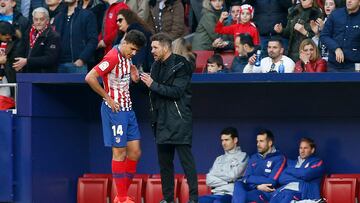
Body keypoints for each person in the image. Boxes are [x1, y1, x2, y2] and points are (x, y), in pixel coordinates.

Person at [85, 29, 146, 203]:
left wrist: (134, 77)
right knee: (119, 152)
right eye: (132, 49)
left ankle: (121, 196)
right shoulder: (112, 57)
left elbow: (123, 80)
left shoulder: (128, 57)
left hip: (129, 110)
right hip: (115, 110)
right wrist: (108, 98)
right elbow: (90, 77)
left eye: (136, 51)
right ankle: (121, 197)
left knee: (134, 153)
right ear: (125, 42)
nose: (133, 53)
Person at [140, 32, 199, 203]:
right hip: (160, 120)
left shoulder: (182, 64)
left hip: (179, 119)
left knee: (187, 163)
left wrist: (153, 84)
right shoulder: (155, 66)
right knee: (165, 165)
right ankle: (168, 199)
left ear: (166, 47)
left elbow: (177, 92)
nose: (152, 51)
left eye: (155, 47)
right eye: (152, 47)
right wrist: (140, 81)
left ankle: (193, 199)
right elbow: (153, 91)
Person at [231, 129, 286, 203]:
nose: (258, 144)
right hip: (252, 189)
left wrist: (250, 179)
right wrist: (257, 186)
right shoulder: (253, 158)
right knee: (238, 184)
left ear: (270, 143)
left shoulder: (279, 158)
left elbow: (271, 181)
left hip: (265, 194)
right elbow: (245, 178)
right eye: (257, 141)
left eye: (261, 141)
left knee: (244, 197)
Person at [199, 127, 248, 203]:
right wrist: (228, 182)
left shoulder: (243, 156)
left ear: (235, 140)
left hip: (231, 195)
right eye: (222, 140)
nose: (223, 143)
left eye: (226, 140)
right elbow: (209, 179)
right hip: (216, 193)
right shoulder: (219, 159)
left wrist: (217, 174)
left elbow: (233, 175)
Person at [270, 138, 325, 202]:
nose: (302, 151)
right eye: (300, 148)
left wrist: (290, 171)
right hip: (284, 190)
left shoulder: (317, 162)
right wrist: (301, 177)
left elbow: (306, 174)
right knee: (274, 198)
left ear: (312, 150)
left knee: (287, 195)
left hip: (304, 194)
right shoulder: (292, 163)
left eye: (305, 148)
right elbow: (282, 178)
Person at [53, 0, 98, 73]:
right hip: (59, 65)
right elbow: (54, 41)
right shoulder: (58, 17)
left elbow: (93, 40)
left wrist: (82, 59)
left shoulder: (87, 15)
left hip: (78, 65)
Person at [12, 7, 61, 73]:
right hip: (26, 73)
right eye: (36, 19)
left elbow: (50, 59)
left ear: (47, 20)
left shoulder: (53, 36)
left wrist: (27, 61)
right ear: (33, 20)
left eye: (41, 19)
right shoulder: (28, 33)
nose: (38, 22)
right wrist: (18, 63)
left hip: (44, 75)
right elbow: (20, 50)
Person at [319, 0, 360, 72]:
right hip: (334, 65)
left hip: (355, 65)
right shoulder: (335, 14)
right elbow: (324, 35)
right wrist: (336, 48)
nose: (349, 1)